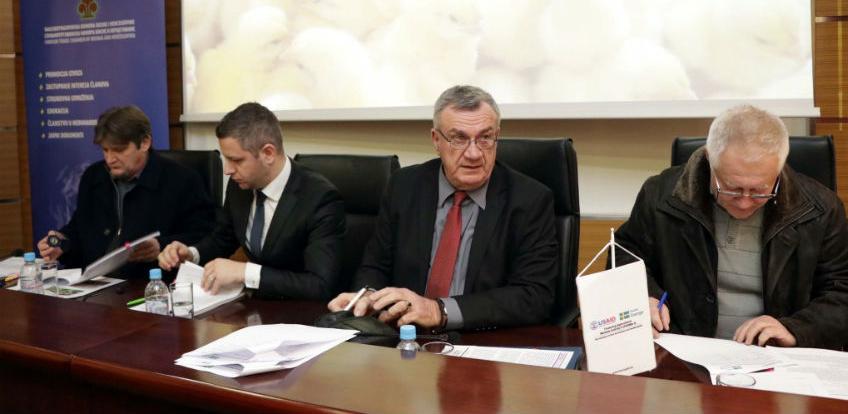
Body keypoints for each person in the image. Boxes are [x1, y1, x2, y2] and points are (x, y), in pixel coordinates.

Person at [614, 105, 848, 349]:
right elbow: (623, 254)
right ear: (710, 160)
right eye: (731, 188)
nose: (745, 202)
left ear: (779, 168)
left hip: (776, 356)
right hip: (683, 348)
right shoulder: (662, 197)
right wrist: (643, 295)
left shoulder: (820, 211)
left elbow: (841, 293)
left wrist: (795, 328)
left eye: (759, 191)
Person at [328, 85, 558, 331]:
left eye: (485, 138)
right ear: (436, 140)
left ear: (497, 137)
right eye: (459, 138)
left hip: (482, 338)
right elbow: (375, 266)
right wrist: (368, 296)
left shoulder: (529, 200)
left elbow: (534, 296)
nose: (474, 153)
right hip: (406, 335)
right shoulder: (404, 187)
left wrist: (440, 311)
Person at [158, 102, 345, 300]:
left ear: (268, 153)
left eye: (236, 160)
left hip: (299, 310)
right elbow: (223, 239)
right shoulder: (240, 185)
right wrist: (191, 254)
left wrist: (245, 272)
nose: (227, 170)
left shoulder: (319, 198)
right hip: (255, 306)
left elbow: (319, 285)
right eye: (226, 159)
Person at [37, 105, 216, 278]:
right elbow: (79, 230)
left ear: (145, 142)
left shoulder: (181, 180)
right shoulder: (94, 176)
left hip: (148, 284)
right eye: (105, 150)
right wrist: (63, 243)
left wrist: (160, 246)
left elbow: (205, 236)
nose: (110, 159)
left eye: (118, 150)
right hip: (93, 284)